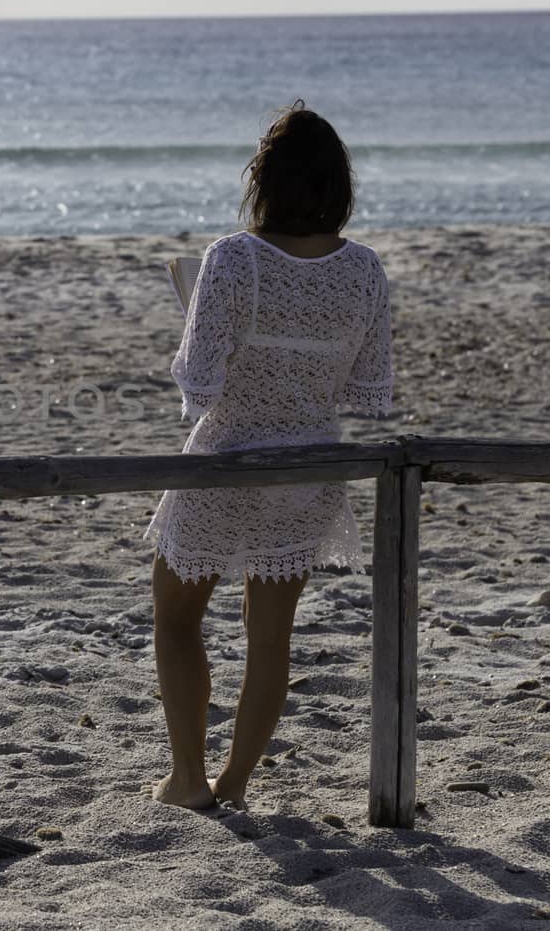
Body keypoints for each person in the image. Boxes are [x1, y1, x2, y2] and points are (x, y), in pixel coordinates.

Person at [145, 101, 393, 810]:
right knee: (270, 637)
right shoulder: (365, 271)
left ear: (265, 181)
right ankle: (236, 782)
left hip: (226, 460)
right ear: (338, 186)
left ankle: (189, 779)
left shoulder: (233, 259)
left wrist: (199, 313)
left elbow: (201, 381)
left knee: (176, 615)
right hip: (308, 465)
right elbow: (361, 384)